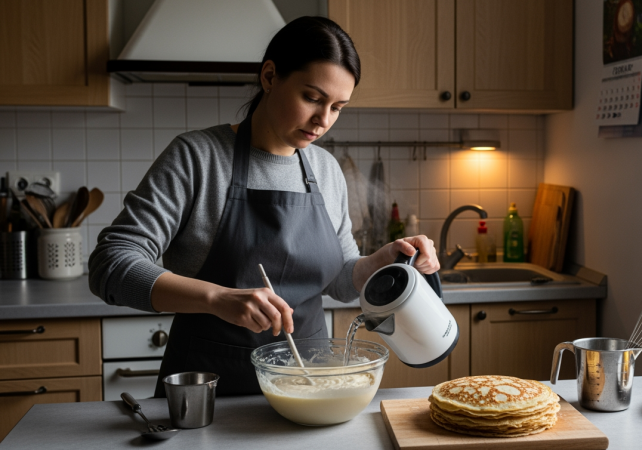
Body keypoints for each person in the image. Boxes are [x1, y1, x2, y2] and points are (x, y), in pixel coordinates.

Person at [88, 17, 439, 397]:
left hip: (309, 389)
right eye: (312, 98)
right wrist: (216, 298)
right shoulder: (197, 158)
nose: (323, 121)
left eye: (337, 107)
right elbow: (111, 264)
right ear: (270, 76)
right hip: (209, 394)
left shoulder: (325, 168)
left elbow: (338, 281)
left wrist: (381, 261)